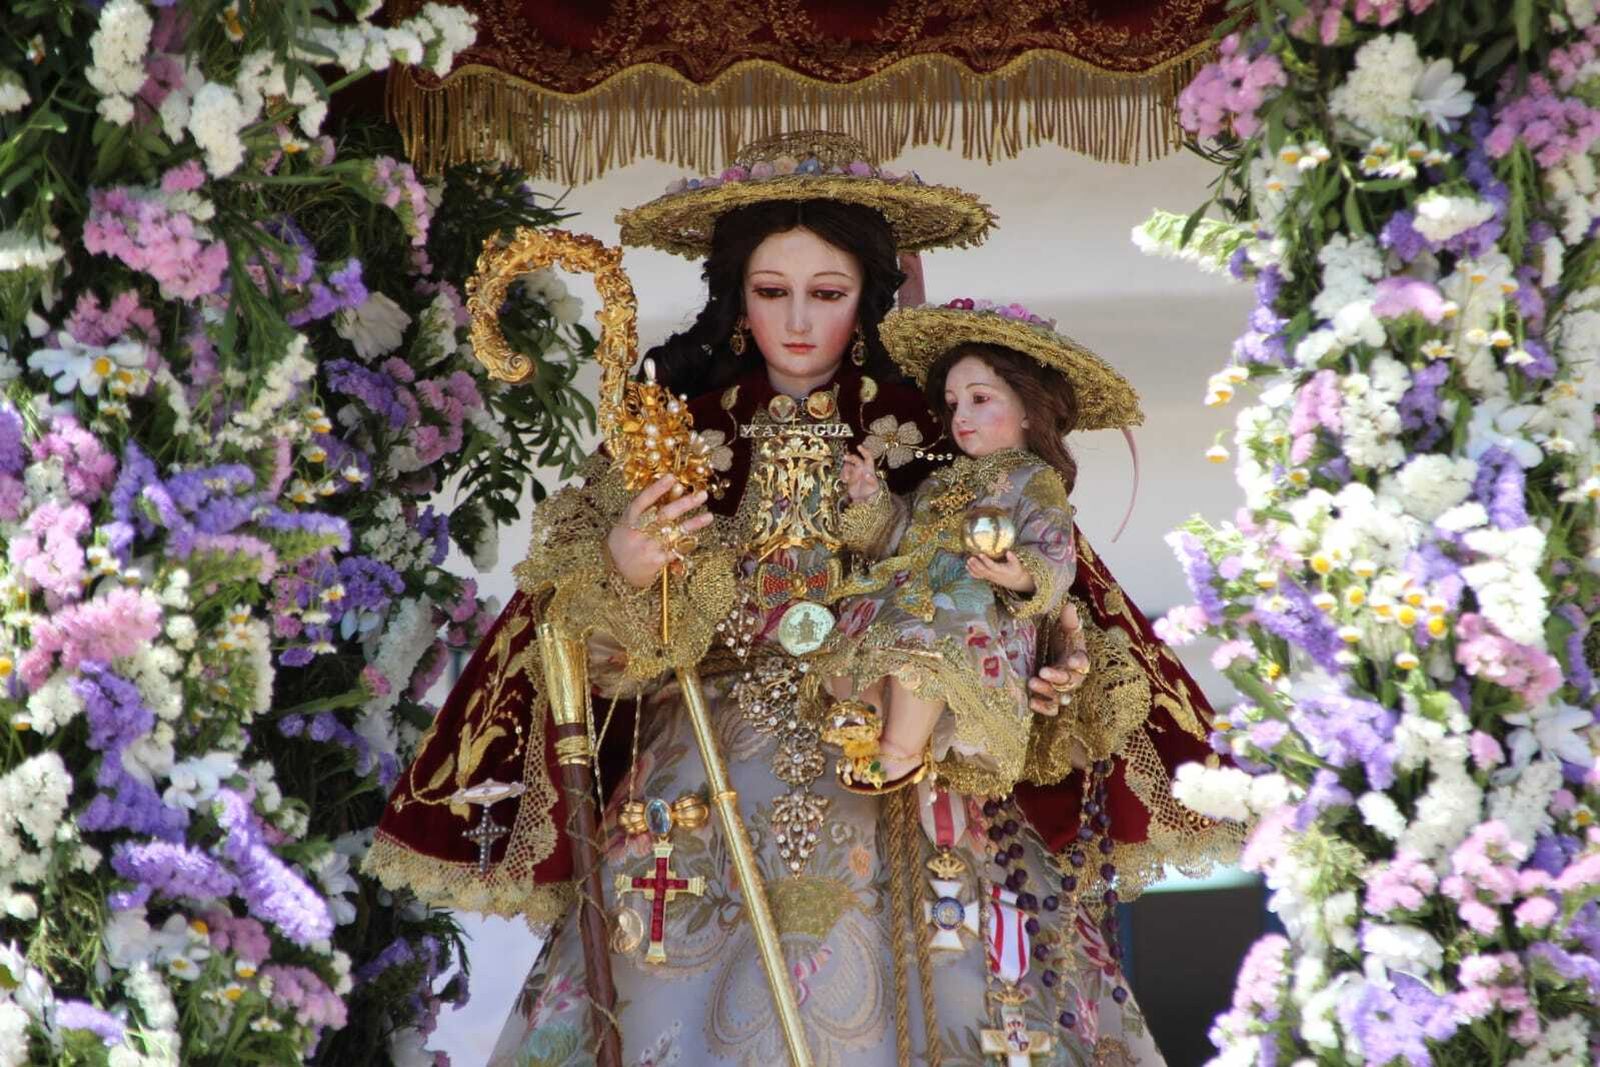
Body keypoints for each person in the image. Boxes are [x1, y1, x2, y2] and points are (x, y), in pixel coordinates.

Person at [366, 131, 1234, 1066]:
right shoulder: (673, 436)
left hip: (908, 776)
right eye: (772, 292)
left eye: (828, 294)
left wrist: (1046, 651)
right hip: (699, 783)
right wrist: (624, 567)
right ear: (737, 298)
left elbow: (1045, 584)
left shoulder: (940, 435)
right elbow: (577, 649)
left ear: (869, 297)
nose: (797, 322)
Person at [822, 301, 1132, 801]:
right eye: (953, 404)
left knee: (929, 636)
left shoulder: (1036, 481)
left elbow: (1056, 556)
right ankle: (861, 722)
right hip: (908, 593)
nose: (961, 417)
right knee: (852, 632)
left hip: (975, 610)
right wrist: (869, 499)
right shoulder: (941, 480)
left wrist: (1016, 574)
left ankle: (899, 749)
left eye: (979, 399)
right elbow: (901, 536)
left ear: (1029, 409)